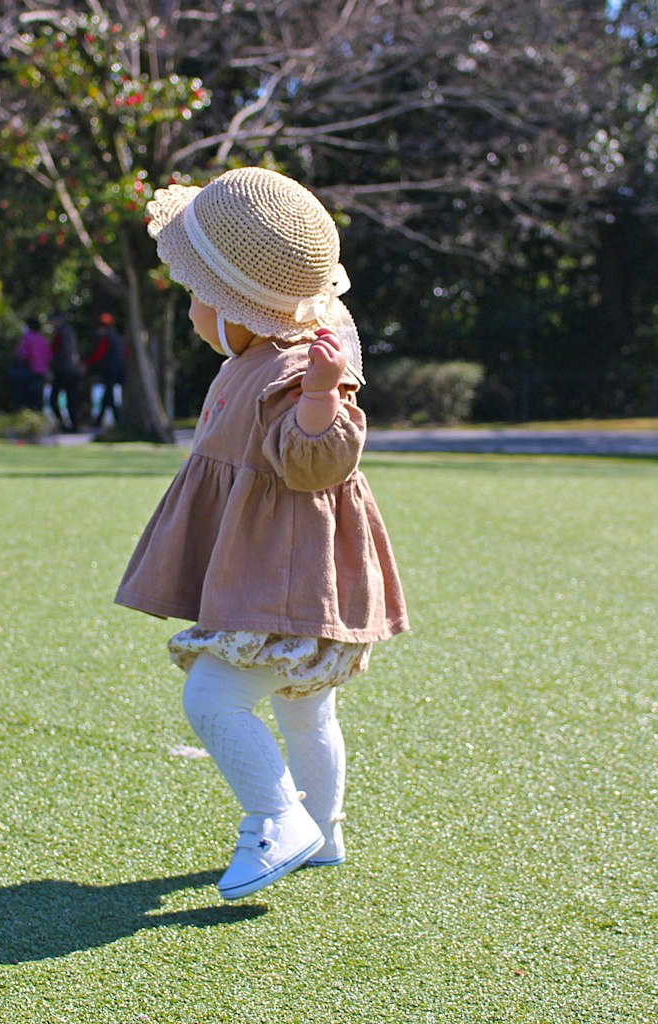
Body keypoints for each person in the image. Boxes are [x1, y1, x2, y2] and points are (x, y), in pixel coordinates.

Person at [115, 167, 409, 901]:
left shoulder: (294, 369)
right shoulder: (256, 358)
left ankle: (279, 818)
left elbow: (319, 462)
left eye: (197, 296)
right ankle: (325, 828)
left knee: (212, 700)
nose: (191, 311)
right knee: (305, 706)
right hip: (277, 573)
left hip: (282, 580)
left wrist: (317, 396)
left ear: (240, 306)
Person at [84, 312, 128, 427]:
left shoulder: (108, 337)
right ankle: (113, 420)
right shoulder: (118, 337)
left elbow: (99, 354)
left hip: (110, 371)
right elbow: (126, 352)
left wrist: (86, 363)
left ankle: (107, 420)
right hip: (118, 370)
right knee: (109, 396)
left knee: (108, 394)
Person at [47, 310, 85, 431]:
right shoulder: (71, 331)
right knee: (72, 399)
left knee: (54, 399)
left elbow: (53, 350)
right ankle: (75, 425)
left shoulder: (60, 333)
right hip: (73, 370)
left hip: (63, 370)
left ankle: (63, 424)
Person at [11, 318, 51, 411]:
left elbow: (22, 354)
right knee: (37, 395)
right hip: (41, 371)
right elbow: (48, 355)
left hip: (29, 371)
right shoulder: (43, 339)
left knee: (26, 395)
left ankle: (26, 414)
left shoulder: (27, 338)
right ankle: (37, 414)